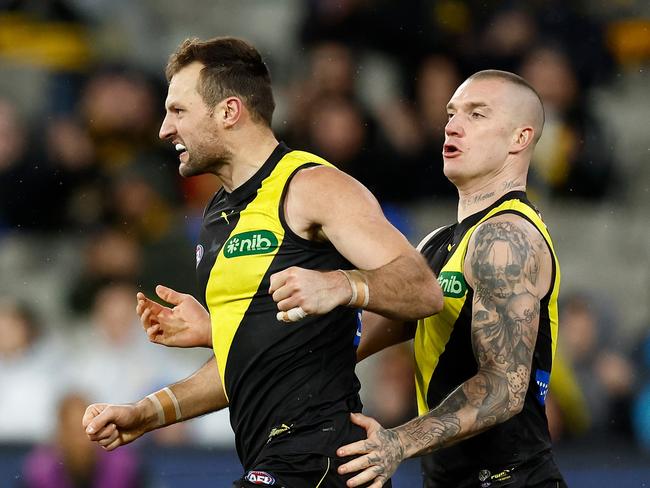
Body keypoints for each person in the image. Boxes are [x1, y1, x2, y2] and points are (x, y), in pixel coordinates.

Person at [82, 36, 443, 488]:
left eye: (178, 111)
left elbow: (424, 289)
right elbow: (252, 361)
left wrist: (343, 285)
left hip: (321, 459)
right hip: (274, 462)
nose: (163, 130)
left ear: (229, 111)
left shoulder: (312, 185)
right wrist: (146, 413)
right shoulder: (214, 216)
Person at [336, 70, 566, 487]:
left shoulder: (507, 237)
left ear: (520, 138)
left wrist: (398, 442)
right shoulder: (438, 244)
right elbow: (351, 343)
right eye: (451, 113)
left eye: (477, 114)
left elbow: (503, 388)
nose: (453, 125)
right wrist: (228, 332)